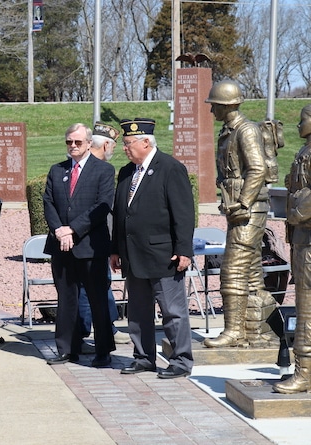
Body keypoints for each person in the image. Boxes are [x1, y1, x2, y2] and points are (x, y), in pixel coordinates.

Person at [110, 117, 195, 379]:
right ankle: (143, 357)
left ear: (146, 142)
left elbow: (183, 213)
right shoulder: (126, 172)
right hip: (133, 256)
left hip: (163, 255)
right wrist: (115, 249)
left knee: (172, 312)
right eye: (124, 144)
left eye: (129, 143)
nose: (125, 148)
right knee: (138, 312)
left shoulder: (170, 168)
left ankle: (180, 361)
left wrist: (184, 250)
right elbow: (120, 213)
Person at [204, 80, 277, 348]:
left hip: (248, 209)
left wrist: (244, 202)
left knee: (233, 269)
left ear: (226, 106)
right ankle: (259, 330)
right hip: (238, 209)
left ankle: (234, 331)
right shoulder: (229, 130)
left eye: (214, 106)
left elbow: (257, 169)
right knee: (251, 271)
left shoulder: (246, 130)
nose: (212, 111)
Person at [43, 123, 116, 368]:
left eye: (78, 142)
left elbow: (103, 205)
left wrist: (73, 229)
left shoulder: (103, 170)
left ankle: (103, 351)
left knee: (97, 300)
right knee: (67, 299)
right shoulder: (57, 170)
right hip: (61, 246)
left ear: (88, 144)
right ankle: (67, 349)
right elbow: (49, 203)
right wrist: (60, 231)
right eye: (69, 142)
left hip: (90, 246)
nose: (73, 146)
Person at [75, 122, 130, 345]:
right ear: (105, 144)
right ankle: (88, 332)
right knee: (91, 288)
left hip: (96, 237)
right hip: (92, 238)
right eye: (113, 147)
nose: (114, 152)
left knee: (99, 285)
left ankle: (106, 327)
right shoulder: (96, 168)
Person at [274, 104, 311, 393]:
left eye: (303, 120)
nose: (298, 125)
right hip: (302, 239)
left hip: (308, 239)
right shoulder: (304, 151)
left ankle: (305, 372)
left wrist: (296, 211)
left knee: (307, 306)